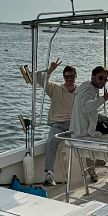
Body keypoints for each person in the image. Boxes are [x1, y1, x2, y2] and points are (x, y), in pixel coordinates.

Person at [70, 66, 108, 182]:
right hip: (86, 130)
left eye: (105, 79)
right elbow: (86, 107)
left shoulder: (86, 86)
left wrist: (106, 118)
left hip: (80, 127)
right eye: (100, 78)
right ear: (93, 76)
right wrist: (104, 98)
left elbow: (91, 112)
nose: (103, 81)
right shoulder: (89, 90)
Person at [35, 58, 77, 186]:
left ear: (76, 77)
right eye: (67, 76)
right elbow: (41, 81)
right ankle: (49, 174)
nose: (69, 79)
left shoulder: (81, 91)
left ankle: (91, 170)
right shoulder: (56, 89)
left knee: (87, 140)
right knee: (51, 141)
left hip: (75, 124)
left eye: (72, 76)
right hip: (58, 124)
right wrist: (50, 70)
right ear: (63, 77)